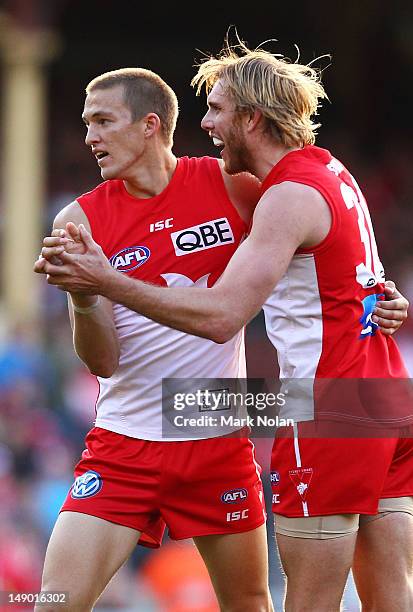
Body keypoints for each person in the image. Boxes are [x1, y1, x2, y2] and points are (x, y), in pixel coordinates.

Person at [36, 40, 413, 612]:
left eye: (215, 110)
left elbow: (222, 317)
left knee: (292, 603)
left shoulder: (252, 191)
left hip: (306, 411)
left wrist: (104, 279)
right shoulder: (328, 172)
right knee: (55, 601)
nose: (206, 123)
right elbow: (104, 360)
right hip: (337, 400)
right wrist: (379, 300)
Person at [34, 68, 272, 612]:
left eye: (102, 121)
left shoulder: (230, 185)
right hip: (124, 446)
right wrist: (83, 295)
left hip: (213, 436)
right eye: (86, 123)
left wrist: (376, 290)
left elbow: (308, 238)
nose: (89, 136)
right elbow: (105, 362)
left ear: (149, 125)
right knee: (51, 602)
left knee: (249, 604)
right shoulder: (81, 218)